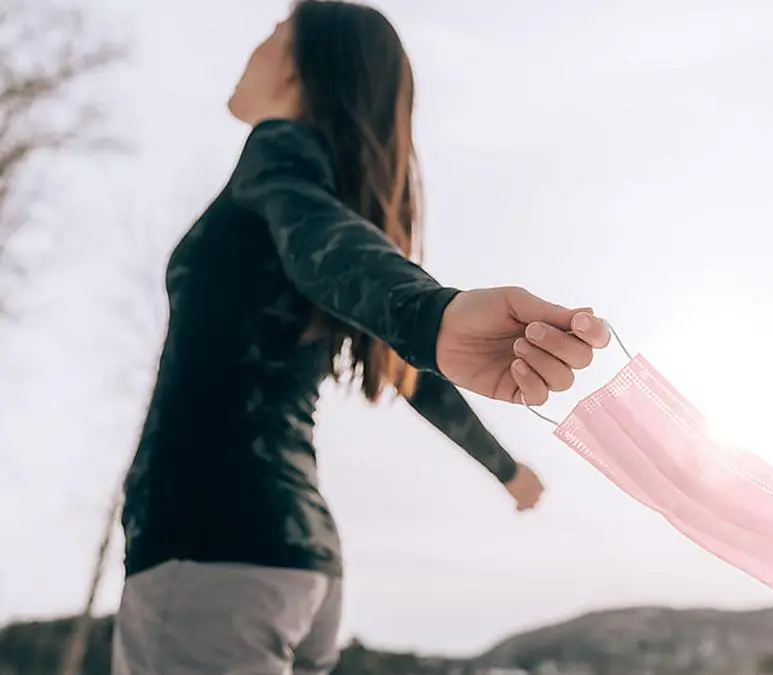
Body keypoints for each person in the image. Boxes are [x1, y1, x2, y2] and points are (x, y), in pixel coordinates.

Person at [111, 2, 611, 673]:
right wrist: (506, 468)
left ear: (301, 66)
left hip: (210, 550)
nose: (255, 44)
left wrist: (430, 314)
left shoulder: (279, 158)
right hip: (297, 562)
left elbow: (330, 244)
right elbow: (412, 369)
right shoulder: (314, 193)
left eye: (273, 31)